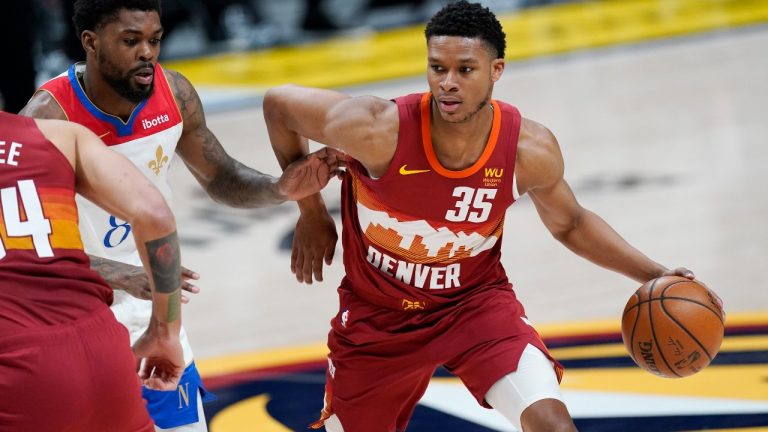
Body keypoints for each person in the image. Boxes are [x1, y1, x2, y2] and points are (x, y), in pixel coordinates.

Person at [263, 1, 707, 431]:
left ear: (497, 71)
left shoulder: (528, 150)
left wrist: (656, 275)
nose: (448, 83)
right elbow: (279, 104)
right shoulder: (376, 129)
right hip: (377, 318)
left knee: (552, 425)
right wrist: (311, 212)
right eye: (438, 68)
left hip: (473, 307)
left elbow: (570, 223)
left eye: (465, 69)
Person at [19, 0, 343, 430]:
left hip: (154, 309)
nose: (147, 53)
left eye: (154, 40)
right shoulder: (46, 120)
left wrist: (278, 189)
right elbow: (19, 249)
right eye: (131, 41)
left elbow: (221, 176)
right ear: (91, 43)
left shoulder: (174, 94)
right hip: (75, 314)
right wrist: (115, 272)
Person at [0, 110, 183, 431]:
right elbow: (155, 215)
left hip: (17, 366)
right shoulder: (59, 136)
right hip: (105, 350)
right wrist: (165, 333)